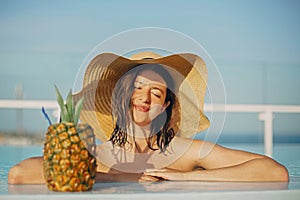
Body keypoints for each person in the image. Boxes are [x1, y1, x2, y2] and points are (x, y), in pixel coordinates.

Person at [8, 52, 289, 184]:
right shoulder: (97, 156)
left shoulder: (183, 151)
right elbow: (19, 174)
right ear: (121, 95)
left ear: (166, 105)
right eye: (137, 88)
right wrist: (116, 177)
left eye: (156, 92)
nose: (145, 97)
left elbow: (274, 172)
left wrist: (184, 179)